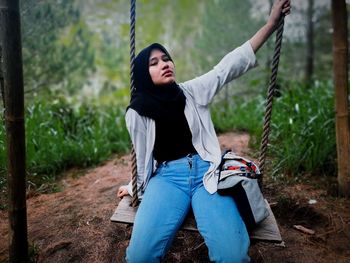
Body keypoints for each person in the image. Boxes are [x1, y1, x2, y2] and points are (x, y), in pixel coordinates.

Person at [117, 1, 291, 262]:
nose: (164, 63)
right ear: (143, 73)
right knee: (139, 256)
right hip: (167, 179)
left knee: (231, 255)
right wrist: (133, 186)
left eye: (166, 58)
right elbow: (142, 161)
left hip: (206, 174)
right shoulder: (137, 112)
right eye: (154, 63)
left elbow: (228, 67)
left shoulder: (192, 91)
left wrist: (270, 24)